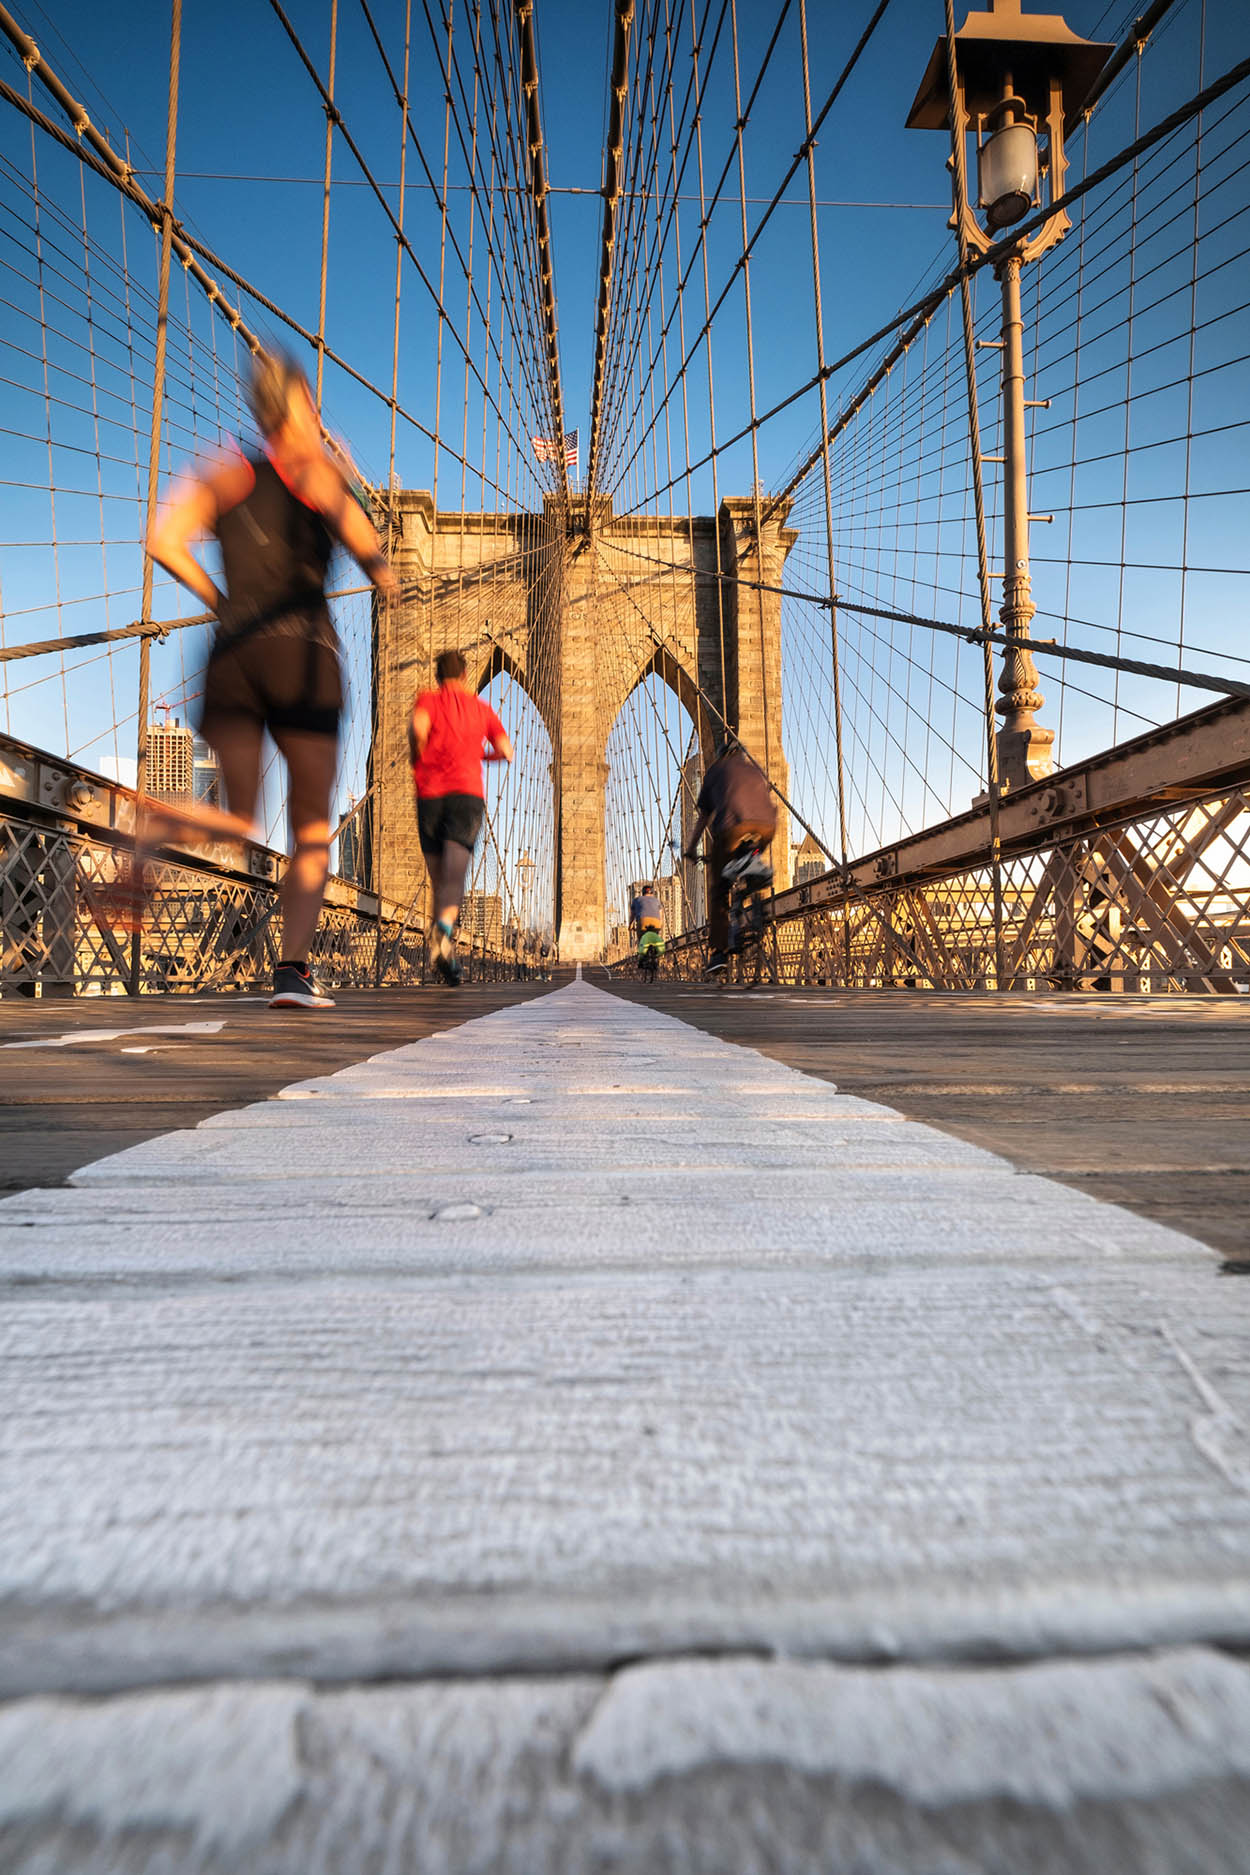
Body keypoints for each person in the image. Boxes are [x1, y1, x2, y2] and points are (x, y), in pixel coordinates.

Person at [147, 350, 398, 1009]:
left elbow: (163, 539)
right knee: (311, 829)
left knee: (233, 816)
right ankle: (291, 971)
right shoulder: (321, 477)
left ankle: (147, 833)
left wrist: (220, 599)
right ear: (308, 407)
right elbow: (381, 565)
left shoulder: (224, 471)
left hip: (231, 654)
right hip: (303, 658)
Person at [410, 648, 513, 985]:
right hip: (466, 795)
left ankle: (443, 947)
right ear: (467, 676)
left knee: (438, 880)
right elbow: (507, 750)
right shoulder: (481, 709)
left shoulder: (426, 700)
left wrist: (418, 758)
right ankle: (443, 933)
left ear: (437, 676)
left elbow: (417, 730)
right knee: (455, 879)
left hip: (429, 794)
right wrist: (482, 756)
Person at [684, 735, 777, 975]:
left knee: (719, 891)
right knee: (749, 857)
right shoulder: (755, 769)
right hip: (767, 828)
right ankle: (755, 897)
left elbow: (704, 817)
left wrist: (692, 849)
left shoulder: (715, 771)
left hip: (732, 829)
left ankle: (718, 953)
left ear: (720, 755)